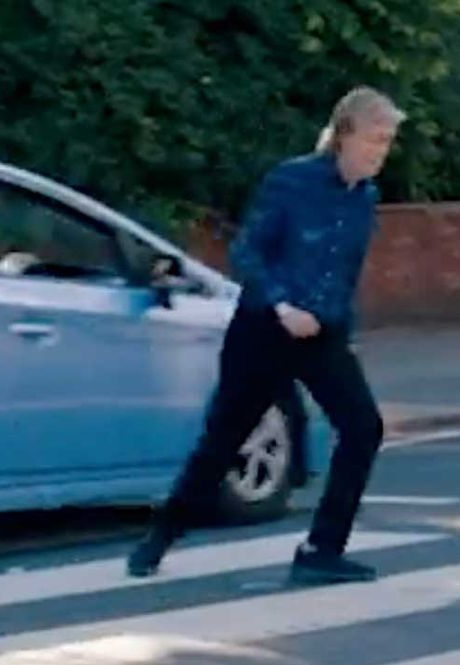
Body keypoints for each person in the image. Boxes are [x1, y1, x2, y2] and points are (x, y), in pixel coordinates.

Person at [127, 86, 404, 584]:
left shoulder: (365, 197)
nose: (381, 151)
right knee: (227, 436)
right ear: (344, 135)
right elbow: (248, 251)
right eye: (374, 139)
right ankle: (161, 535)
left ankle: (322, 549)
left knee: (364, 427)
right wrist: (282, 304)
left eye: (387, 141)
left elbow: (345, 272)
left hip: (322, 333)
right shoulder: (291, 180)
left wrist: (340, 330)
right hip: (263, 327)